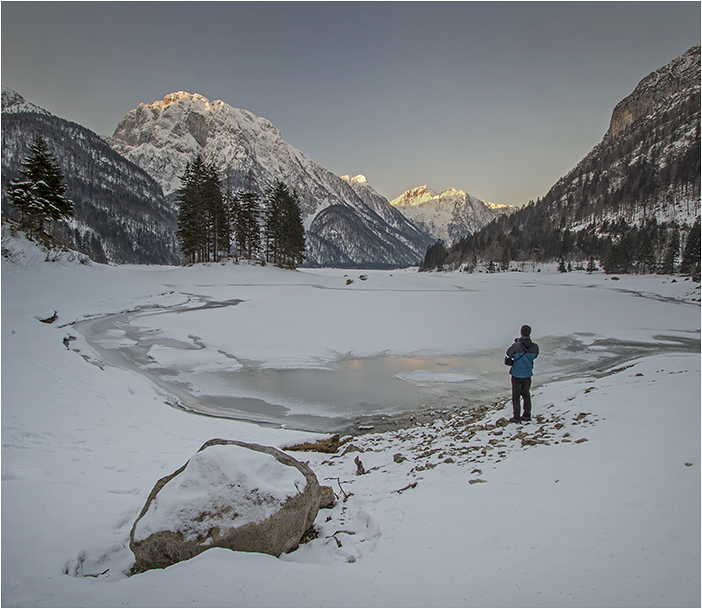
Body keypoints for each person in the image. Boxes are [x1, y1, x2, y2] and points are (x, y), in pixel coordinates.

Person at [506, 325, 539, 423]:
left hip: (517, 374)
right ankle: (527, 415)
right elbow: (535, 356)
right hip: (528, 374)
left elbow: (509, 353)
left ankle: (516, 417)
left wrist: (517, 343)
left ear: (521, 333)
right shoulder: (534, 347)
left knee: (516, 396)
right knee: (526, 394)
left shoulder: (517, 345)